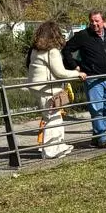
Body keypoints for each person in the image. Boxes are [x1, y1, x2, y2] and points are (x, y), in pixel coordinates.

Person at [62, 10, 106, 148]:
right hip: (93, 78)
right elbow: (66, 50)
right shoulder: (83, 36)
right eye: (92, 21)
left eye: (97, 21)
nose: (94, 24)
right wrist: (75, 66)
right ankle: (102, 138)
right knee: (97, 110)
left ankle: (98, 135)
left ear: (103, 21)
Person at [27, 21, 81, 158]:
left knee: (52, 117)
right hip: (48, 89)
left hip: (38, 88)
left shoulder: (35, 49)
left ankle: (59, 145)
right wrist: (78, 74)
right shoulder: (52, 51)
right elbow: (60, 72)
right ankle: (51, 151)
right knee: (53, 119)